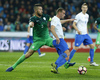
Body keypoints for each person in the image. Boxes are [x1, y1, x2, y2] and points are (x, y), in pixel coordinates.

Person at [6, 4, 74, 72]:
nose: (42, 11)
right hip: (38, 40)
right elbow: (31, 24)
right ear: (36, 10)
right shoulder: (33, 18)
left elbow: (56, 21)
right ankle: (13, 66)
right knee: (28, 54)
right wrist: (31, 25)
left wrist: (62, 25)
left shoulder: (46, 17)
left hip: (48, 39)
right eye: (40, 9)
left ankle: (64, 63)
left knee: (60, 45)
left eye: (42, 9)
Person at [50, 8, 75, 73]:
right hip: (59, 40)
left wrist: (68, 21)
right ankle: (55, 64)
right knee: (67, 53)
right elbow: (52, 28)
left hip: (57, 40)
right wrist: (57, 37)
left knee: (66, 57)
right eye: (63, 13)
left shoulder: (57, 20)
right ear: (59, 12)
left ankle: (57, 67)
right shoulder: (55, 19)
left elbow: (60, 22)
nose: (64, 14)